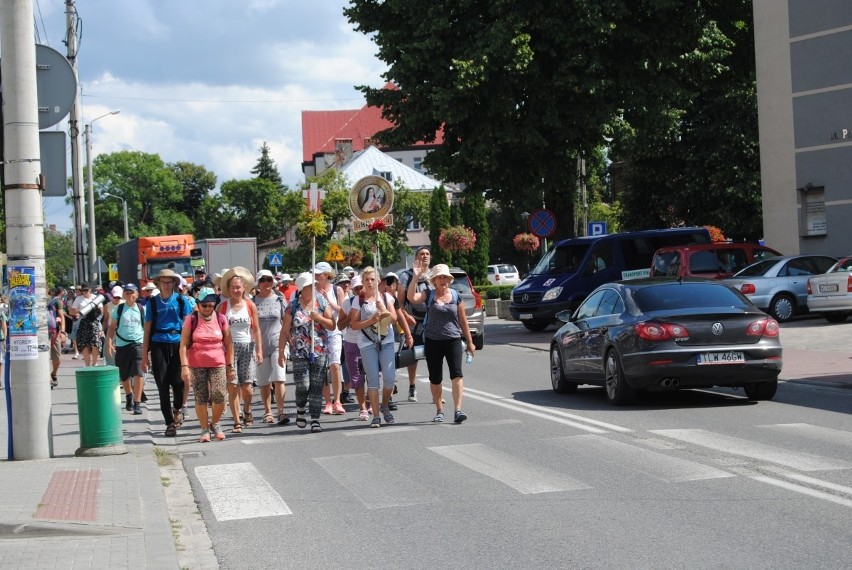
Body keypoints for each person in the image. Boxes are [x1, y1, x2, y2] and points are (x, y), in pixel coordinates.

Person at [407, 263, 475, 424]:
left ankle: (458, 410)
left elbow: (463, 321)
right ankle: (439, 410)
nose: (443, 280)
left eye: (445, 277)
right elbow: (412, 298)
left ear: (449, 280)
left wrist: (470, 342)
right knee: (435, 378)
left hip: (453, 339)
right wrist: (415, 279)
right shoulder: (428, 294)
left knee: (456, 374)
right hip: (433, 341)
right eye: (439, 277)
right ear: (434, 280)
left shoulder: (456, 295)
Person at [349, 267, 409, 428]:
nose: (370, 282)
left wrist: (383, 310)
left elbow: (395, 318)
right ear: (363, 282)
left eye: (372, 279)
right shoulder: (358, 300)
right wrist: (370, 320)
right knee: (373, 380)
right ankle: (376, 415)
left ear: (378, 282)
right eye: (367, 279)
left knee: (389, 379)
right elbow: (354, 324)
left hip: (386, 341)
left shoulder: (386, 297)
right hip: (367, 343)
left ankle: (385, 405)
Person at [278, 271, 334, 433]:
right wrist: (282, 352)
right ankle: (301, 408)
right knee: (303, 385)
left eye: (314, 285)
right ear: (303, 288)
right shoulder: (293, 306)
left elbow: (332, 325)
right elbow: (284, 331)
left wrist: (319, 318)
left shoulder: (321, 303)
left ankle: (315, 419)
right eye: (310, 286)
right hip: (299, 352)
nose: (314, 288)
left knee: (316, 386)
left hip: (319, 350)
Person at [142, 269, 194, 437]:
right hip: (158, 344)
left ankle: (177, 407)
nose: (166, 285)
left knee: (179, 384)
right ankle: (169, 423)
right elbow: (147, 328)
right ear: (158, 284)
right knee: (162, 386)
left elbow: (188, 326)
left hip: (178, 343)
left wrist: (190, 349)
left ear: (174, 284)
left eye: (169, 282)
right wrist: (144, 356)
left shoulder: (181, 301)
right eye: (163, 282)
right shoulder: (153, 302)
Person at [180, 290, 233, 442]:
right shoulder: (192, 319)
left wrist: (230, 366)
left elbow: (229, 344)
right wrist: (184, 366)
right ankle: (204, 429)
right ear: (198, 305)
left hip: (218, 363)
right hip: (197, 363)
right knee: (201, 397)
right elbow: (183, 344)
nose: (208, 309)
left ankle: (215, 422)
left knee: (220, 395)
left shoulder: (221, 318)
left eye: (211, 305)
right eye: (204, 305)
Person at [218, 266, 262, 432]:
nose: (235, 290)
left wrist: (259, 351)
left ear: (244, 288)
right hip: (229, 349)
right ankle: (236, 421)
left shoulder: (250, 305)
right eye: (232, 287)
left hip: (248, 347)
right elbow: (217, 330)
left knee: (247, 388)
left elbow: (256, 329)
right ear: (228, 289)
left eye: (238, 287)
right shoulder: (222, 308)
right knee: (233, 385)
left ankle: (247, 409)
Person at [253, 269, 289, 425]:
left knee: (279, 377)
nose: (266, 283)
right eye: (263, 280)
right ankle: (268, 412)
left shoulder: (279, 299)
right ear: (258, 283)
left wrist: (289, 338)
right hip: (259, 345)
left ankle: (281, 412)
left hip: (277, 342)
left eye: (269, 280)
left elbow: (286, 321)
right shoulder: (252, 302)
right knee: (264, 380)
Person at [397, 246, 433, 401]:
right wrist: (405, 315)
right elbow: (399, 302)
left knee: (434, 356)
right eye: (421, 254)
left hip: (431, 322)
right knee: (413, 355)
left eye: (427, 254)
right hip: (413, 322)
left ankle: (435, 389)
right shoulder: (407, 276)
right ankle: (412, 386)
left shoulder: (434, 275)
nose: (425, 256)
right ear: (416, 258)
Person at [107, 284, 146, 415]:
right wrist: (109, 342)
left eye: (132, 293)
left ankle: (137, 402)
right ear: (124, 295)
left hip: (137, 344)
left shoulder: (142, 309)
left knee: (138, 372)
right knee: (124, 374)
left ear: (137, 294)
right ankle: (129, 394)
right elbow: (112, 328)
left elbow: (146, 328)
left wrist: (148, 346)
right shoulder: (118, 309)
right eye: (127, 293)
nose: (129, 295)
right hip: (122, 344)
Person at [314, 262, 345, 415]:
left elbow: (343, 311)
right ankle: (327, 401)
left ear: (327, 274)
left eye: (319, 273)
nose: (316, 276)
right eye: (315, 273)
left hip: (335, 332)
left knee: (335, 365)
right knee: (322, 368)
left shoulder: (336, 289)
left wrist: (328, 300)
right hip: (318, 333)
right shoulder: (311, 290)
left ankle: (337, 400)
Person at [338, 275, 369, 419]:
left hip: (369, 342)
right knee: (356, 377)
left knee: (373, 375)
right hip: (351, 342)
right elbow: (339, 325)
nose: (359, 291)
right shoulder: (347, 303)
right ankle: (362, 407)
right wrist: (351, 316)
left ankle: (369, 401)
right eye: (356, 288)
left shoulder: (373, 300)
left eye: (360, 287)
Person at [70, 282, 105, 367]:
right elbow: (71, 311)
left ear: (90, 290)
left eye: (86, 290)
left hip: (94, 322)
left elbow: (102, 311)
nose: (84, 292)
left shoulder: (96, 298)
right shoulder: (78, 299)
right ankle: (87, 366)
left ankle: (94, 363)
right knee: (85, 345)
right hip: (83, 323)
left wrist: (96, 313)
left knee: (95, 344)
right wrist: (78, 312)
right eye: (83, 290)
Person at [47, 287, 65, 388]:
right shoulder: (42, 300)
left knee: (57, 357)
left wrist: (62, 332)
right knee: (45, 357)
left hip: (55, 332)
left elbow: (61, 316)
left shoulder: (57, 302)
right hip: (44, 332)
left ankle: (53, 373)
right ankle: (49, 378)